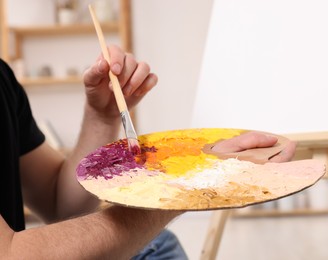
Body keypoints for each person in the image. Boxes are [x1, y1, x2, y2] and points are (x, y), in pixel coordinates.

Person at [0, 45, 296, 259]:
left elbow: (61, 207)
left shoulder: (3, 79)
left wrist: (102, 118)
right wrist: (188, 188)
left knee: (156, 245)